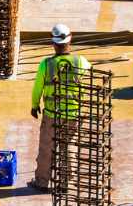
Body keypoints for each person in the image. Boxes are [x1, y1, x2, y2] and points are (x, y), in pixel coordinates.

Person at [29, 23, 89, 193]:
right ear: (70, 40)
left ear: (53, 43)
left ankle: (41, 182)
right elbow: (89, 78)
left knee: (47, 148)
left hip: (51, 114)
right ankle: (65, 184)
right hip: (73, 114)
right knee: (68, 146)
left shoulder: (45, 64)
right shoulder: (81, 61)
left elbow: (37, 88)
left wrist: (34, 106)